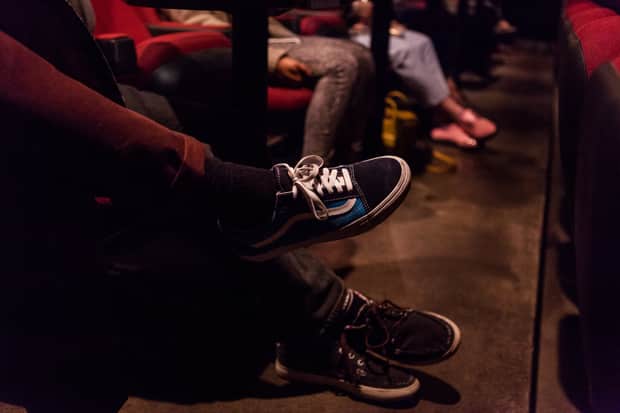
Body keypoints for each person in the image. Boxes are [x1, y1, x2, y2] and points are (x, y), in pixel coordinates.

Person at [0, 15, 461, 410]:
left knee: (209, 135)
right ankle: (317, 295)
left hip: (64, 78)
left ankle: (278, 225)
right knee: (178, 176)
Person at [160, 9, 376, 164]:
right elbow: (210, 29)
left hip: (273, 34)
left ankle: (348, 162)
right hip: (236, 42)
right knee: (342, 65)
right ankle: (311, 171)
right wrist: (273, 60)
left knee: (362, 55)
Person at [347, 0, 498, 149]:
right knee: (406, 50)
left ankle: (444, 122)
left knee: (423, 42)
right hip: (348, 32)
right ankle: (455, 112)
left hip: (369, 26)